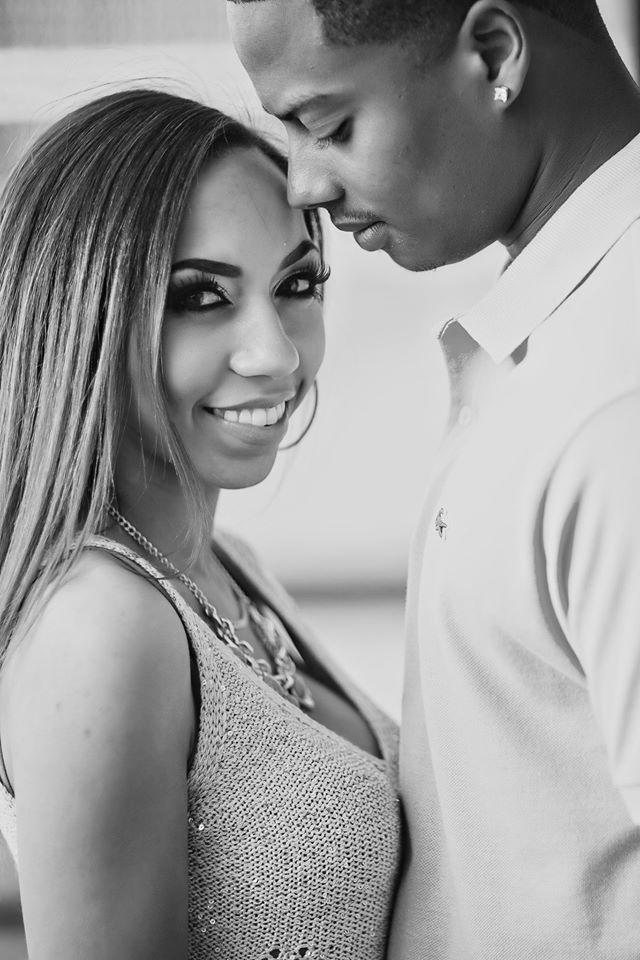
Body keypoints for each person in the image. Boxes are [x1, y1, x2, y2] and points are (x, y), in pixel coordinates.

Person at [227, 0, 640, 957]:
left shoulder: (615, 393)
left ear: (493, 54)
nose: (302, 184)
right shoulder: (568, 336)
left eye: (330, 125)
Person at [0, 88, 401, 960]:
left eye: (297, 285)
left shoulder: (229, 566)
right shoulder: (99, 626)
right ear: (82, 314)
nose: (277, 353)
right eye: (201, 296)